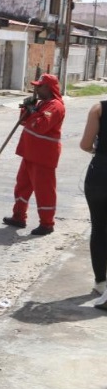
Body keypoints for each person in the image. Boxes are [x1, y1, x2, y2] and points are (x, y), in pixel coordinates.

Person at [2, 73, 65, 236]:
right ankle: (18, 217)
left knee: (44, 191)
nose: (35, 88)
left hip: (43, 157)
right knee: (22, 186)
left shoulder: (55, 106)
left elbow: (40, 126)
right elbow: (24, 122)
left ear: (49, 88)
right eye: (35, 85)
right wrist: (26, 109)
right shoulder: (42, 104)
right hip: (30, 154)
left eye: (39, 86)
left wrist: (33, 111)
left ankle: (47, 223)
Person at [79, 99, 107, 302]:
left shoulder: (99, 109)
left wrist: (97, 151)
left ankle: (100, 282)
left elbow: (85, 144)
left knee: (99, 228)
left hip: (100, 174)